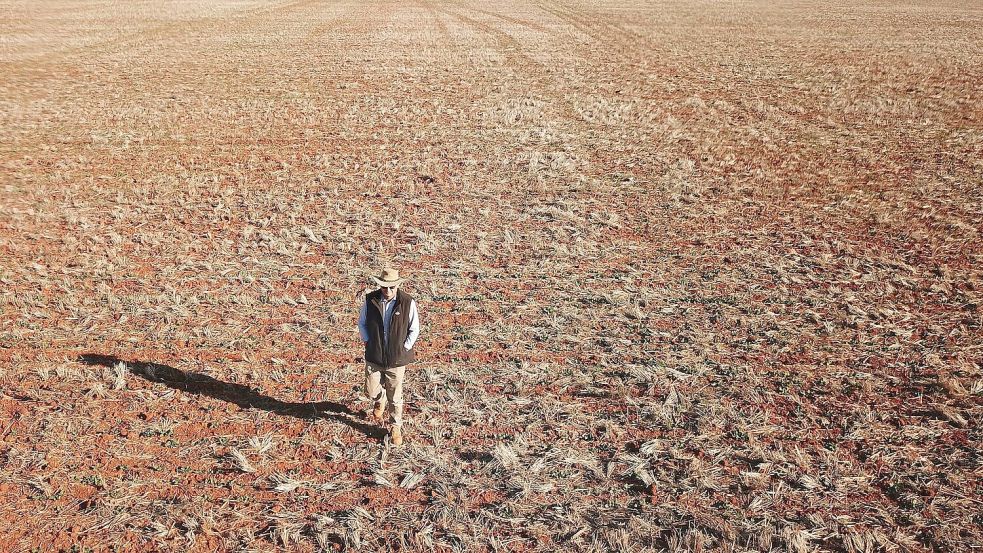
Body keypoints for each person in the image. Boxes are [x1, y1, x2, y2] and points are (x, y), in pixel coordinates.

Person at [357, 268, 420, 446]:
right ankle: (379, 399)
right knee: (370, 390)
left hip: (396, 359)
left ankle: (395, 427)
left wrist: (404, 348)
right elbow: (361, 323)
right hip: (374, 355)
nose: (388, 291)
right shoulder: (371, 300)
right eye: (385, 287)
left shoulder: (407, 302)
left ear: (397, 285)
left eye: (392, 287)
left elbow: (414, 329)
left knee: (396, 396)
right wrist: (368, 341)